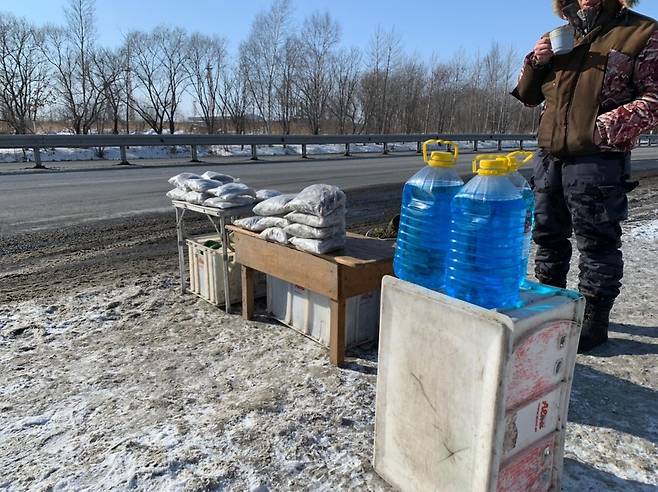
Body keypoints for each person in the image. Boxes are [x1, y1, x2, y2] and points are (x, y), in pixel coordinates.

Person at [512, 0, 658, 352]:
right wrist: (536, 62)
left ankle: (594, 322)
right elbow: (529, 97)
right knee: (547, 237)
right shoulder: (560, 35)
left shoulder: (642, 33)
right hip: (551, 155)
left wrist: (603, 129)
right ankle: (551, 310)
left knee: (596, 242)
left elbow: (654, 98)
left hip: (600, 158)